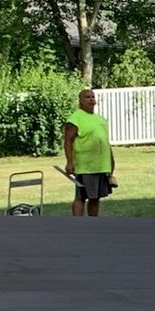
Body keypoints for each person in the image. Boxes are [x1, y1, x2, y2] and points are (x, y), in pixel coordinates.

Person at [62, 88, 116, 217]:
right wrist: (70, 162)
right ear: (80, 101)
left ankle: (92, 223)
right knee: (81, 196)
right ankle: (78, 223)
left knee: (95, 197)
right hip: (85, 166)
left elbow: (104, 141)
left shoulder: (101, 119)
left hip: (101, 165)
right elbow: (68, 141)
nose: (91, 99)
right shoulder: (75, 118)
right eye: (87, 97)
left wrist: (111, 161)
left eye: (92, 97)